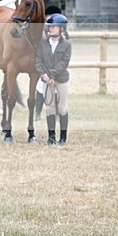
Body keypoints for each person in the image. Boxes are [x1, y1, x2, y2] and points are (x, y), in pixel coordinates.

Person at [35, 13, 72, 146]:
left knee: (61, 107)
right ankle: (51, 137)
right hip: (46, 80)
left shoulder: (67, 45)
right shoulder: (43, 44)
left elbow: (64, 63)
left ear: (61, 28)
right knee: (49, 108)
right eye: (50, 27)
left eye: (54, 27)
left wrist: (51, 75)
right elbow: (38, 61)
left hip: (61, 79)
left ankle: (63, 137)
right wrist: (43, 75)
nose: (50, 29)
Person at [34, 5, 68, 120]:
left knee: (57, 89)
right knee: (40, 87)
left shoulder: (62, 32)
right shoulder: (45, 30)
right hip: (46, 66)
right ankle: (37, 112)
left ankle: (58, 113)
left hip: (58, 67)